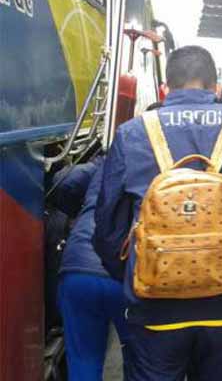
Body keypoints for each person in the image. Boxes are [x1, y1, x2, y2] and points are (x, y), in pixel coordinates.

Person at [93, 45, 222, 380]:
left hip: (155, 306)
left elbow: (107, 226)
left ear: (165, 88)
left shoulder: (132, 134)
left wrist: (131, 273)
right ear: (216, 88)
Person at [52, 157, 130, 381]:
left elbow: (67, 180)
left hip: (78, 269)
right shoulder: (168, 162)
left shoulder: (109, 157)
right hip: (126, 273)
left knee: (84, 360)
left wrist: (73, 212)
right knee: (139, 359)